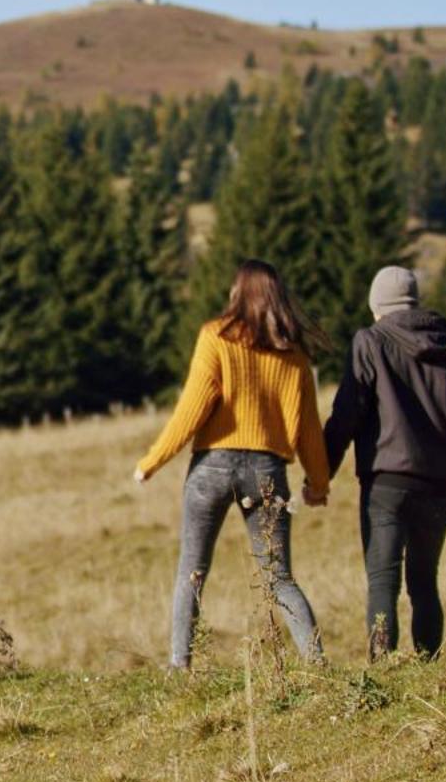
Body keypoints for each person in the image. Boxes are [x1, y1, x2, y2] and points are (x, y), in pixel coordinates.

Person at [134, 259, 331, 671]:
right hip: (268, 471)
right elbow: (308, 429)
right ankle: (316, 665)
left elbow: (192, 408)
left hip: (212, 466)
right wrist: (318, 484)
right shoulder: (294, 357)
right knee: (279, 578)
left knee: (193, 569)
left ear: (237, 295)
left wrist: (153, 461)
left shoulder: (215, 338)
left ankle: (179, 665)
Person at [323, 266, 446, 661]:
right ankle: (429, 666)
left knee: (383, 580)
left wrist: (322, 473)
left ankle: (382, 670)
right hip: (439, 484)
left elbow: (346, 413)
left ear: (377, 306)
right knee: (424, 582)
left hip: (386, 482)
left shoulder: (371, 342)